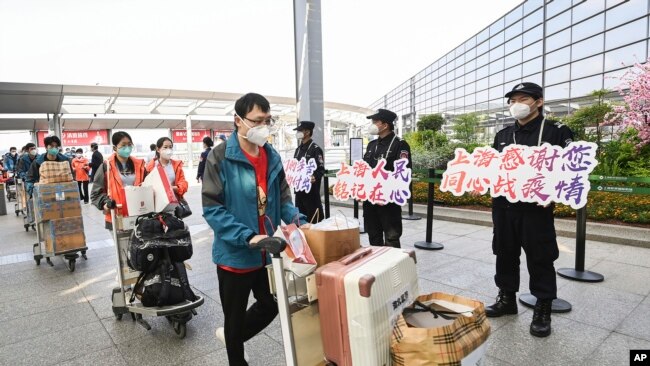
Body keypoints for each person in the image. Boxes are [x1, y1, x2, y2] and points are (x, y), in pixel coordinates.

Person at [202, 93, 306, 366]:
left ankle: (231, 336)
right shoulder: (220, 157)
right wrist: (248, 236)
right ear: (238, 120)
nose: (264, 126)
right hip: (236, 255)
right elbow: (213, 208)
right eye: (258, 121)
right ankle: (235, 350)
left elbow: (283, 199)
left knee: (271, 305)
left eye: (267, 120)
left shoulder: (271, 155)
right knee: (234, 317)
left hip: (266, 253)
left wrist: (300, 222)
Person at [485, 82, 574, 338]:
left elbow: (571, 169)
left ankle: (543, 307)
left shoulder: (557, 132)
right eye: (512, 100)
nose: (517, 105)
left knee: (540, 257)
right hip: (503, 206)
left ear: (539, 102)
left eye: (523, 99)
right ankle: (507, 299)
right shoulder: (503, 135)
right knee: (504, 252)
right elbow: (493, 168)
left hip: (536, 209)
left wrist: (554, 193)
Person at [362, 108, 411, 248]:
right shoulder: (372, 145)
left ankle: (393, 268)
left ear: (385, 124)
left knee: (392, 238)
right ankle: (378, 267)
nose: (372, 124)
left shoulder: (400, 144)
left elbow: (403, 173)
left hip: (388, 202)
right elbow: (365, 171)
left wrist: (387, 195)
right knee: (373, 235)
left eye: (375, 121)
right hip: (370, 200)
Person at [91, 131, 147, 230]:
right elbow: (95, 193)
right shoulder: (106, 166)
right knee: (122, 245)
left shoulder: (140, 165)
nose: (127, 148)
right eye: (123, 145)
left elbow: (147, 186)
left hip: (138, 214)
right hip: (116, 215)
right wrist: (105, 203)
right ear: (114, 148)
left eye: (129, 145)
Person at [292, 121, 325, 222]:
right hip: (299, 191)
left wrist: (314, 176)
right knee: (300, 219)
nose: (298, 133)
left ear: (307, 132)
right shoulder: (298, 149)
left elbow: (321, 169)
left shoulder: (315, 149)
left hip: (311, 193)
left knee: (314, 220)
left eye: (300, 130)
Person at [145, 137, 188, 201]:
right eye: (165, 147)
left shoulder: (177, 166)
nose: (168, 150)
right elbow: (145, 185)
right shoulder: (151, 166)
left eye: (170, 147)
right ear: (158, 149)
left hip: (173, 201)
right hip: (156, 203)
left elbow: (183, 183)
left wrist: (173, 188)